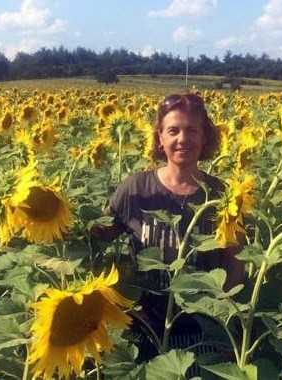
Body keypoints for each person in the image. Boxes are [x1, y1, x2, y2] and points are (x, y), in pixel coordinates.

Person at [91, 93, 244, 364]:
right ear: (160, 138)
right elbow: (100, 237)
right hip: (140, 330)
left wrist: (225, 325)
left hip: (200, 335)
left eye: (192, 130)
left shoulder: (223, 195)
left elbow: (234, 263)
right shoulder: (136, 189)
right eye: (173, 130)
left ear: (204, 137)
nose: (182, 139)